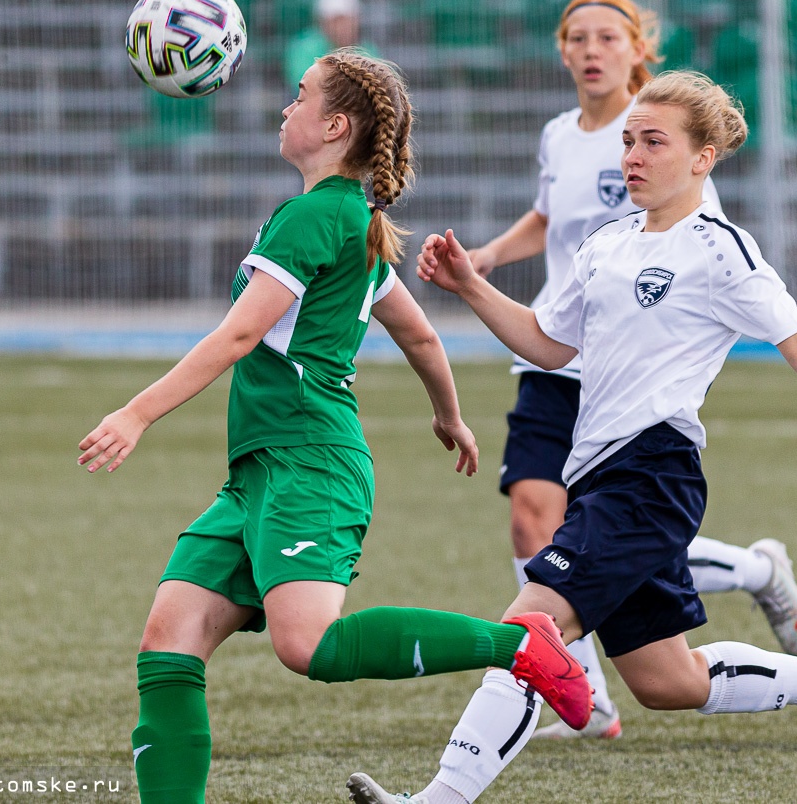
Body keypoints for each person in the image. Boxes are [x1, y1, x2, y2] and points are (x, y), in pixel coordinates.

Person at [347, 70, 797, 804]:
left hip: (653, 474)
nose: (633, 155)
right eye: (627, 141)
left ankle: (438, 800)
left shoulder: (720, 249)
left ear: (703, 157)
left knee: (529, 624)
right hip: (596, 475)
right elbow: (547, 342)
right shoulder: (606, 245)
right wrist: (470, 285)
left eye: (654, 141)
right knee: (666, 682)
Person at [77, 50, 594, 804]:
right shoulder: (353, 218)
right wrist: (448, 415)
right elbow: (418, 336)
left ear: (334, 126)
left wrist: (137, 411)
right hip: (261, 471)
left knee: (308, 645)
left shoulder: (314, 217)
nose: (285, 109)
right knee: (169, 641)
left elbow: (236, 336)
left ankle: (521, 645)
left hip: (309, 462)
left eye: (299, 96)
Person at [465, 0, 797, 740]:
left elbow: (705, 263)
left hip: (629, 384)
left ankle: (754, 573)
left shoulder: (673, 144)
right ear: (561, 50)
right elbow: (549, 219)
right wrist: (485, 260)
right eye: (577, 37)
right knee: (537, 518)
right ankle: (582, 691)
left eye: (607, 38)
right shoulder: (563, 135)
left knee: (591, 545)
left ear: (635, 49)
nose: (592, 50)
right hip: (556, 356)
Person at [283, 0, 377, 92]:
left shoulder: (368, 50)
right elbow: (303, 84)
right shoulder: (304, 49)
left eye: (349, 20)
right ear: (323, 23)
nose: (344, 26)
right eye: (337, 21)